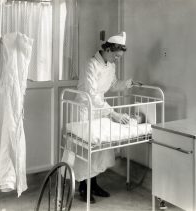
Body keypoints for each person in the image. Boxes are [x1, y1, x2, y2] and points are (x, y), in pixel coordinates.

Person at [74, 32, 134, 203]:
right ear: (108, 49)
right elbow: (92, 94)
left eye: (119, 57)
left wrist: (126, 84)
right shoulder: (91, 64)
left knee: (99, 149)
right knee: (87, 149)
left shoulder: (110, 65)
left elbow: (113, 85)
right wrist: (113, 113)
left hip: (100, 108)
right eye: (116, 56)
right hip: (86, 108)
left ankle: (94, 184)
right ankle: (83, 187)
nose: (117, 59)